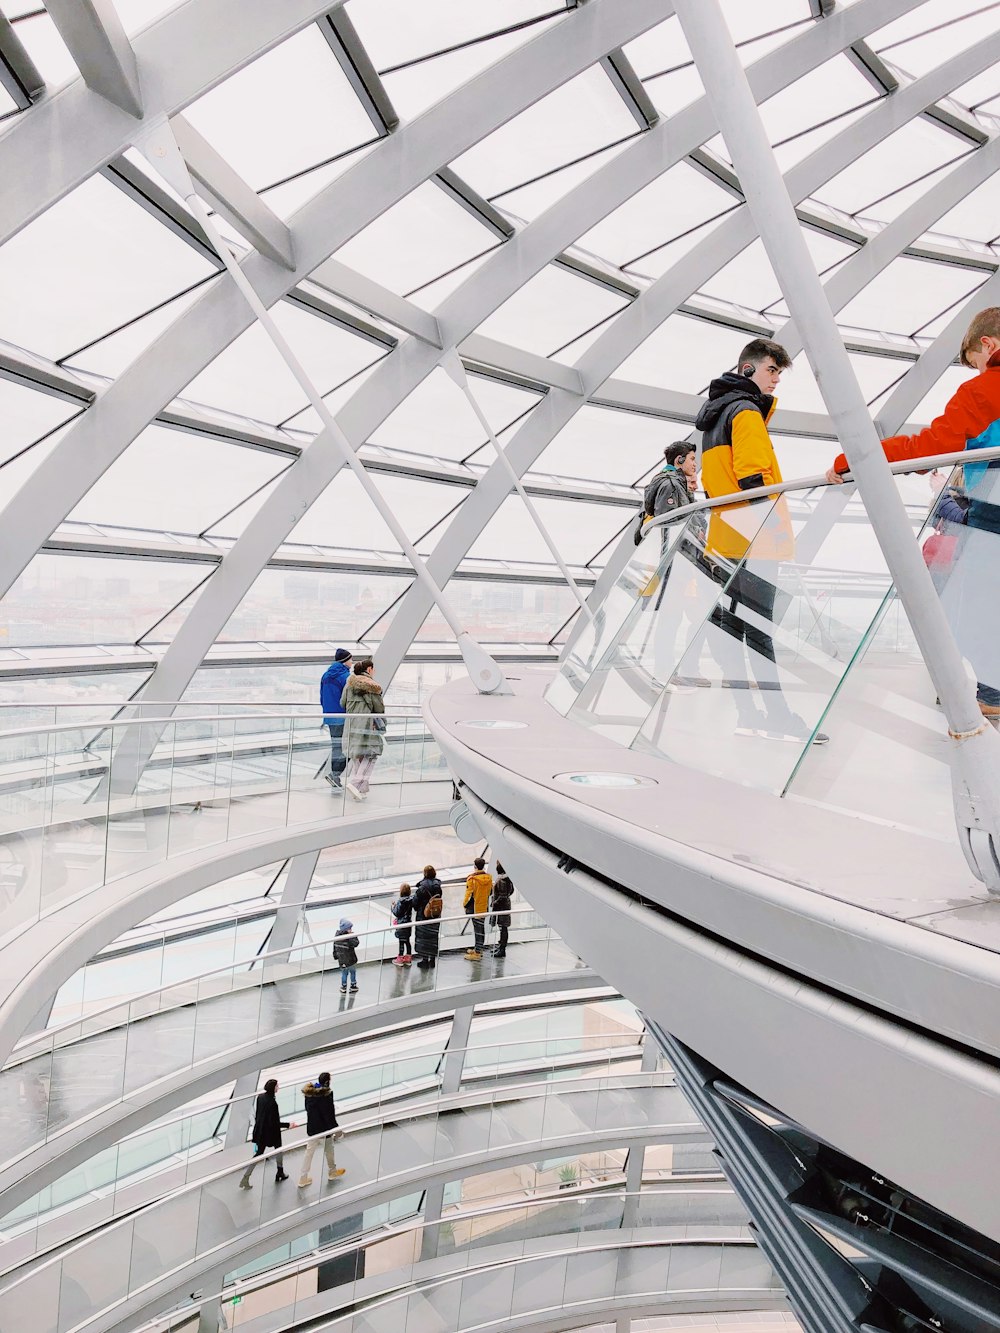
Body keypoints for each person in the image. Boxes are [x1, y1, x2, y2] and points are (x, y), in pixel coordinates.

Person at [826, 306, 1000, 724]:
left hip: (992, 516)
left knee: (960, 606)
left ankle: (993, 689)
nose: (977, 372)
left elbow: (930, 450)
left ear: (988, 345)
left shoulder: (984, 391)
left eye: (976, 364)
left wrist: (853, 458)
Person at [696, 337, 827, 744]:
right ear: (748, 369)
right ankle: (778, 717)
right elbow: (753, 480)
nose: (776, 382)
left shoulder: (715, 416)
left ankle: (748, 713)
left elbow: (715, 482)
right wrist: (768, 533)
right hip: (755, 541)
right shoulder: (747, 412)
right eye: (772, 371)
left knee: (732, 627)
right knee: (758, 630)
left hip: (727, 537)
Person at [341, 657, 386, 801]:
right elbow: (379, 708)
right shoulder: (373, 687)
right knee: (371, 755)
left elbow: (342, 703)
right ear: (369, 669)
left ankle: (361, 789)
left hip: (351, 724)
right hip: (367, 725)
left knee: (357, 755)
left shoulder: (349, 684)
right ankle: (356, 784)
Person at [239, 1078, 292, 1189]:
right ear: (273, 1088)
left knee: (258, 1153)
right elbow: (275, 1123)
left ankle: (246, 1177)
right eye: (277, 1086)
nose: (279, 1087)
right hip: (271, 1133)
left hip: (260, 1131)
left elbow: (260, 1115)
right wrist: (288, 1125)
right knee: (278, 1150)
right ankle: (280, 1172)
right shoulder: (273, 1103)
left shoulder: (260, 1097)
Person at [297, 1072, 345, 1188]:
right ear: (327, 1082)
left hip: (312, 1129)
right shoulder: (326, 1096)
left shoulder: (309, 1094)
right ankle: (332, 1172)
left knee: (309, 1153)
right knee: (329, 1151)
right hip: (324, 1131)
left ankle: (303, 1178)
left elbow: (308, 1110)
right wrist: (337, 1130)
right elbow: (329, 1115)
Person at [320, 649, 352, 788]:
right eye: (350, 659)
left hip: (329, 716)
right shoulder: (345, 677)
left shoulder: (326, 676)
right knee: (350, 747)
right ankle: (335, 774)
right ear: (345, 661)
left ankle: (335, 776)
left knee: (336, 746)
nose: (352, 662)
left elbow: (322, 697)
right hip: (343, 716)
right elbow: (348, 699)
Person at [463, 856, 493, 961]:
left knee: (477, 929)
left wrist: (464, 904)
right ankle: (478, 949)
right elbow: (490, 892)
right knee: (481, 928)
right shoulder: (489, 878)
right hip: (483, 906)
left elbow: (469, 894)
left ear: (475, 866)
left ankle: (477, 952)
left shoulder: (472, 879)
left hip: (474, 908)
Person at [489, 862, 513, 958]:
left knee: (503, 928)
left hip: (501, 907)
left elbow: (502, 896)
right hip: (505, 906)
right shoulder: (508, 879)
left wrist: (495, 903)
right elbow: (510, 892)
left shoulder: (501, 881)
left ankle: (502, 949)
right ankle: (501, 947)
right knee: (503, 927)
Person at [414, 893, 442, 968]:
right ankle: (432, 959)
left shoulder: (421, 889)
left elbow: (415, 905)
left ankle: (425, 960)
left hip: (423, 917)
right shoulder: (437, 886)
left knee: (424, 938)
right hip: (435, 915)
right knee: (433, 937)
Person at [334, 918, 359, 993]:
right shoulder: (349, 937)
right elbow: (356, 943)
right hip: (351, 960)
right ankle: (353, 985)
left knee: (344, 973)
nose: (351, 929)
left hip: (342, 960)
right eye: (349, 928)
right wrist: (352, 936)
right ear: (345, 929)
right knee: (352, 972)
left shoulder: (337, 937)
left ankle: (343, 986)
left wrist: (335, 956)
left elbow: (335, 947)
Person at [391, 882, 414, 966]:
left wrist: (393, 906)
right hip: (408, 923)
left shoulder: (400, 902)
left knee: (401, 942)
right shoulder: (411, 900)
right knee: (407, 941)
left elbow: (396, 913)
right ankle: (408, 958)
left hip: (401, 924)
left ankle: (400, 959)